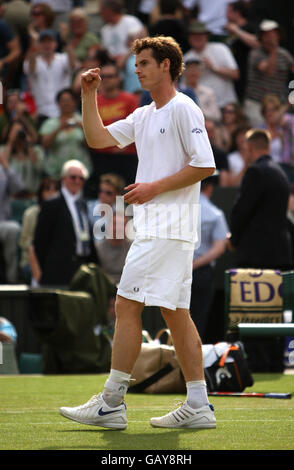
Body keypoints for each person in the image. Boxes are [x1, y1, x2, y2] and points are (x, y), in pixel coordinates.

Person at [60, 35, 216, 430]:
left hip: (167, 227)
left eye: (144, 62)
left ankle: (111, 402)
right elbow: (97, 139)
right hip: (164, 229)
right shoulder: (145, 115)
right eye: (137, 62)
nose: (136, 68)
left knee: (127, 306)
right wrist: (87, 96)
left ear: (166, 65)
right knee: (176, 315)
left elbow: (205, 165)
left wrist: (152, 187)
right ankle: (198, 403)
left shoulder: (184, 109)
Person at [228, 129, 292, 270]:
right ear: (268, 147)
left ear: (249, 148)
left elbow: (242, 211)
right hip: (280, 254)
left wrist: (233, 239)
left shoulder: (255, 172)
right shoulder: (280, 172)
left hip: (256, 257)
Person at [33, 159, 97, 287]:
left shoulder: (83, 205)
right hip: (58, 270)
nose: (77, 181)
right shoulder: (52, 204)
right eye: (73, 177)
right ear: (63, 179)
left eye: (81, 178)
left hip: (81, 267)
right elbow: (40, 242)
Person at [190, 172, 229, 341]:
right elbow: (219, 248)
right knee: (197, 320)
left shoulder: (178, 209)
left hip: (175, 270)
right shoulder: (215, 214)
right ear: (211, 187)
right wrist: (196, 264)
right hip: (201, 273)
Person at [89, 61, 139, 190]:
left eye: (110, 76)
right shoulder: (94, 101)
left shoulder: (129, 99)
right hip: (103, 157)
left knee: (128, 197)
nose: (106, 80)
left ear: (118, 78)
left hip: (126, 157)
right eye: (103, 76)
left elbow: (136, 128)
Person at [244, 20, 294, 127]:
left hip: (277, 105)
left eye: (273, 34)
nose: (270, 38)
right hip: (257, 104)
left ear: (278, 36)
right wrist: (273, 50)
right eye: (267, 35)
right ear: (261, 37)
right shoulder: (255, 54)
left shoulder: (285, 54)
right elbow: (269, 71)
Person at [23, 28, 75, 126]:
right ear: (38, 44)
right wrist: (33, 45)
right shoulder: (32, 61)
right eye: (43, 42)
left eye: (50, 41)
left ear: (55, 44)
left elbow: (72, 66)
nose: (47, 45)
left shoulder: (63, 58)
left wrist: (66, 41)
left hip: (64, 112)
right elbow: (31, 69)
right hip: (43, 113)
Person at [183, 20, 239, 108]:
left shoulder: (221, 48)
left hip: (226, 105)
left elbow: (235, 74)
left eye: (201, 34)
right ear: (189, 37)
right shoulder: (186, 58)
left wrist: (214, 67)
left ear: (207, 36)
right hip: (204, 108)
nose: (197, 37)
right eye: (194, 35)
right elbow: (184, 85)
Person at [39, 88, 92, 179]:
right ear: (58, 103)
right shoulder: (50, 123)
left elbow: (92, 145)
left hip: (80, 170)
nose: (66, 103)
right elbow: (45, 145)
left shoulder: (83, 121)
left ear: (74, 102)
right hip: (56, 171)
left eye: (69, 100)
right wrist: (59, 128)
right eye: (63, 101)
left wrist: (83, 128)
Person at [18, 177, 59, 283]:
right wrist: (38, 245)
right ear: (41, 193)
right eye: (47, 190)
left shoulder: (63, 214)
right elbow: (23, 241)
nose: (51, 193)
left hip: (55, 259)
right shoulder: (30, 213)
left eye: (55, 190)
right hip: (31, 259)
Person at [225, 1, 259, 103]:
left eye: (229, 11)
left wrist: (237, 30)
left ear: (237, 12)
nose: (226, 15)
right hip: (231, 73)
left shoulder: (250, 27)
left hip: (246, 73)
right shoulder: (228, 30)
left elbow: (257, 43)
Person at [0, 119, 45, 197]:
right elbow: (3, 167)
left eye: (21, 131)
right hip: (11, 198)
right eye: (15, 132)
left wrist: (28, 144)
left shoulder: (36, 150)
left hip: (32, 196)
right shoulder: (3, 150)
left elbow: (39, 168)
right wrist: (10, 141)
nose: (18, 135)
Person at [0, 146, 23, 283]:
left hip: (2, 222)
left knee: (13, 229)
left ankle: (12, 280)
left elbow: (18, 187)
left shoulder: (2, 171)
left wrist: (6, 165)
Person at [99, 0, 145, 66]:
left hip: (132, 60)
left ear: (108, 11)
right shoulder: (104, 29)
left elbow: (139, 44)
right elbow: (106, 50)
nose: (100, 14)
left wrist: (124, 58)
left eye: (101, 11)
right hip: (113, 64)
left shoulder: (131, 21)